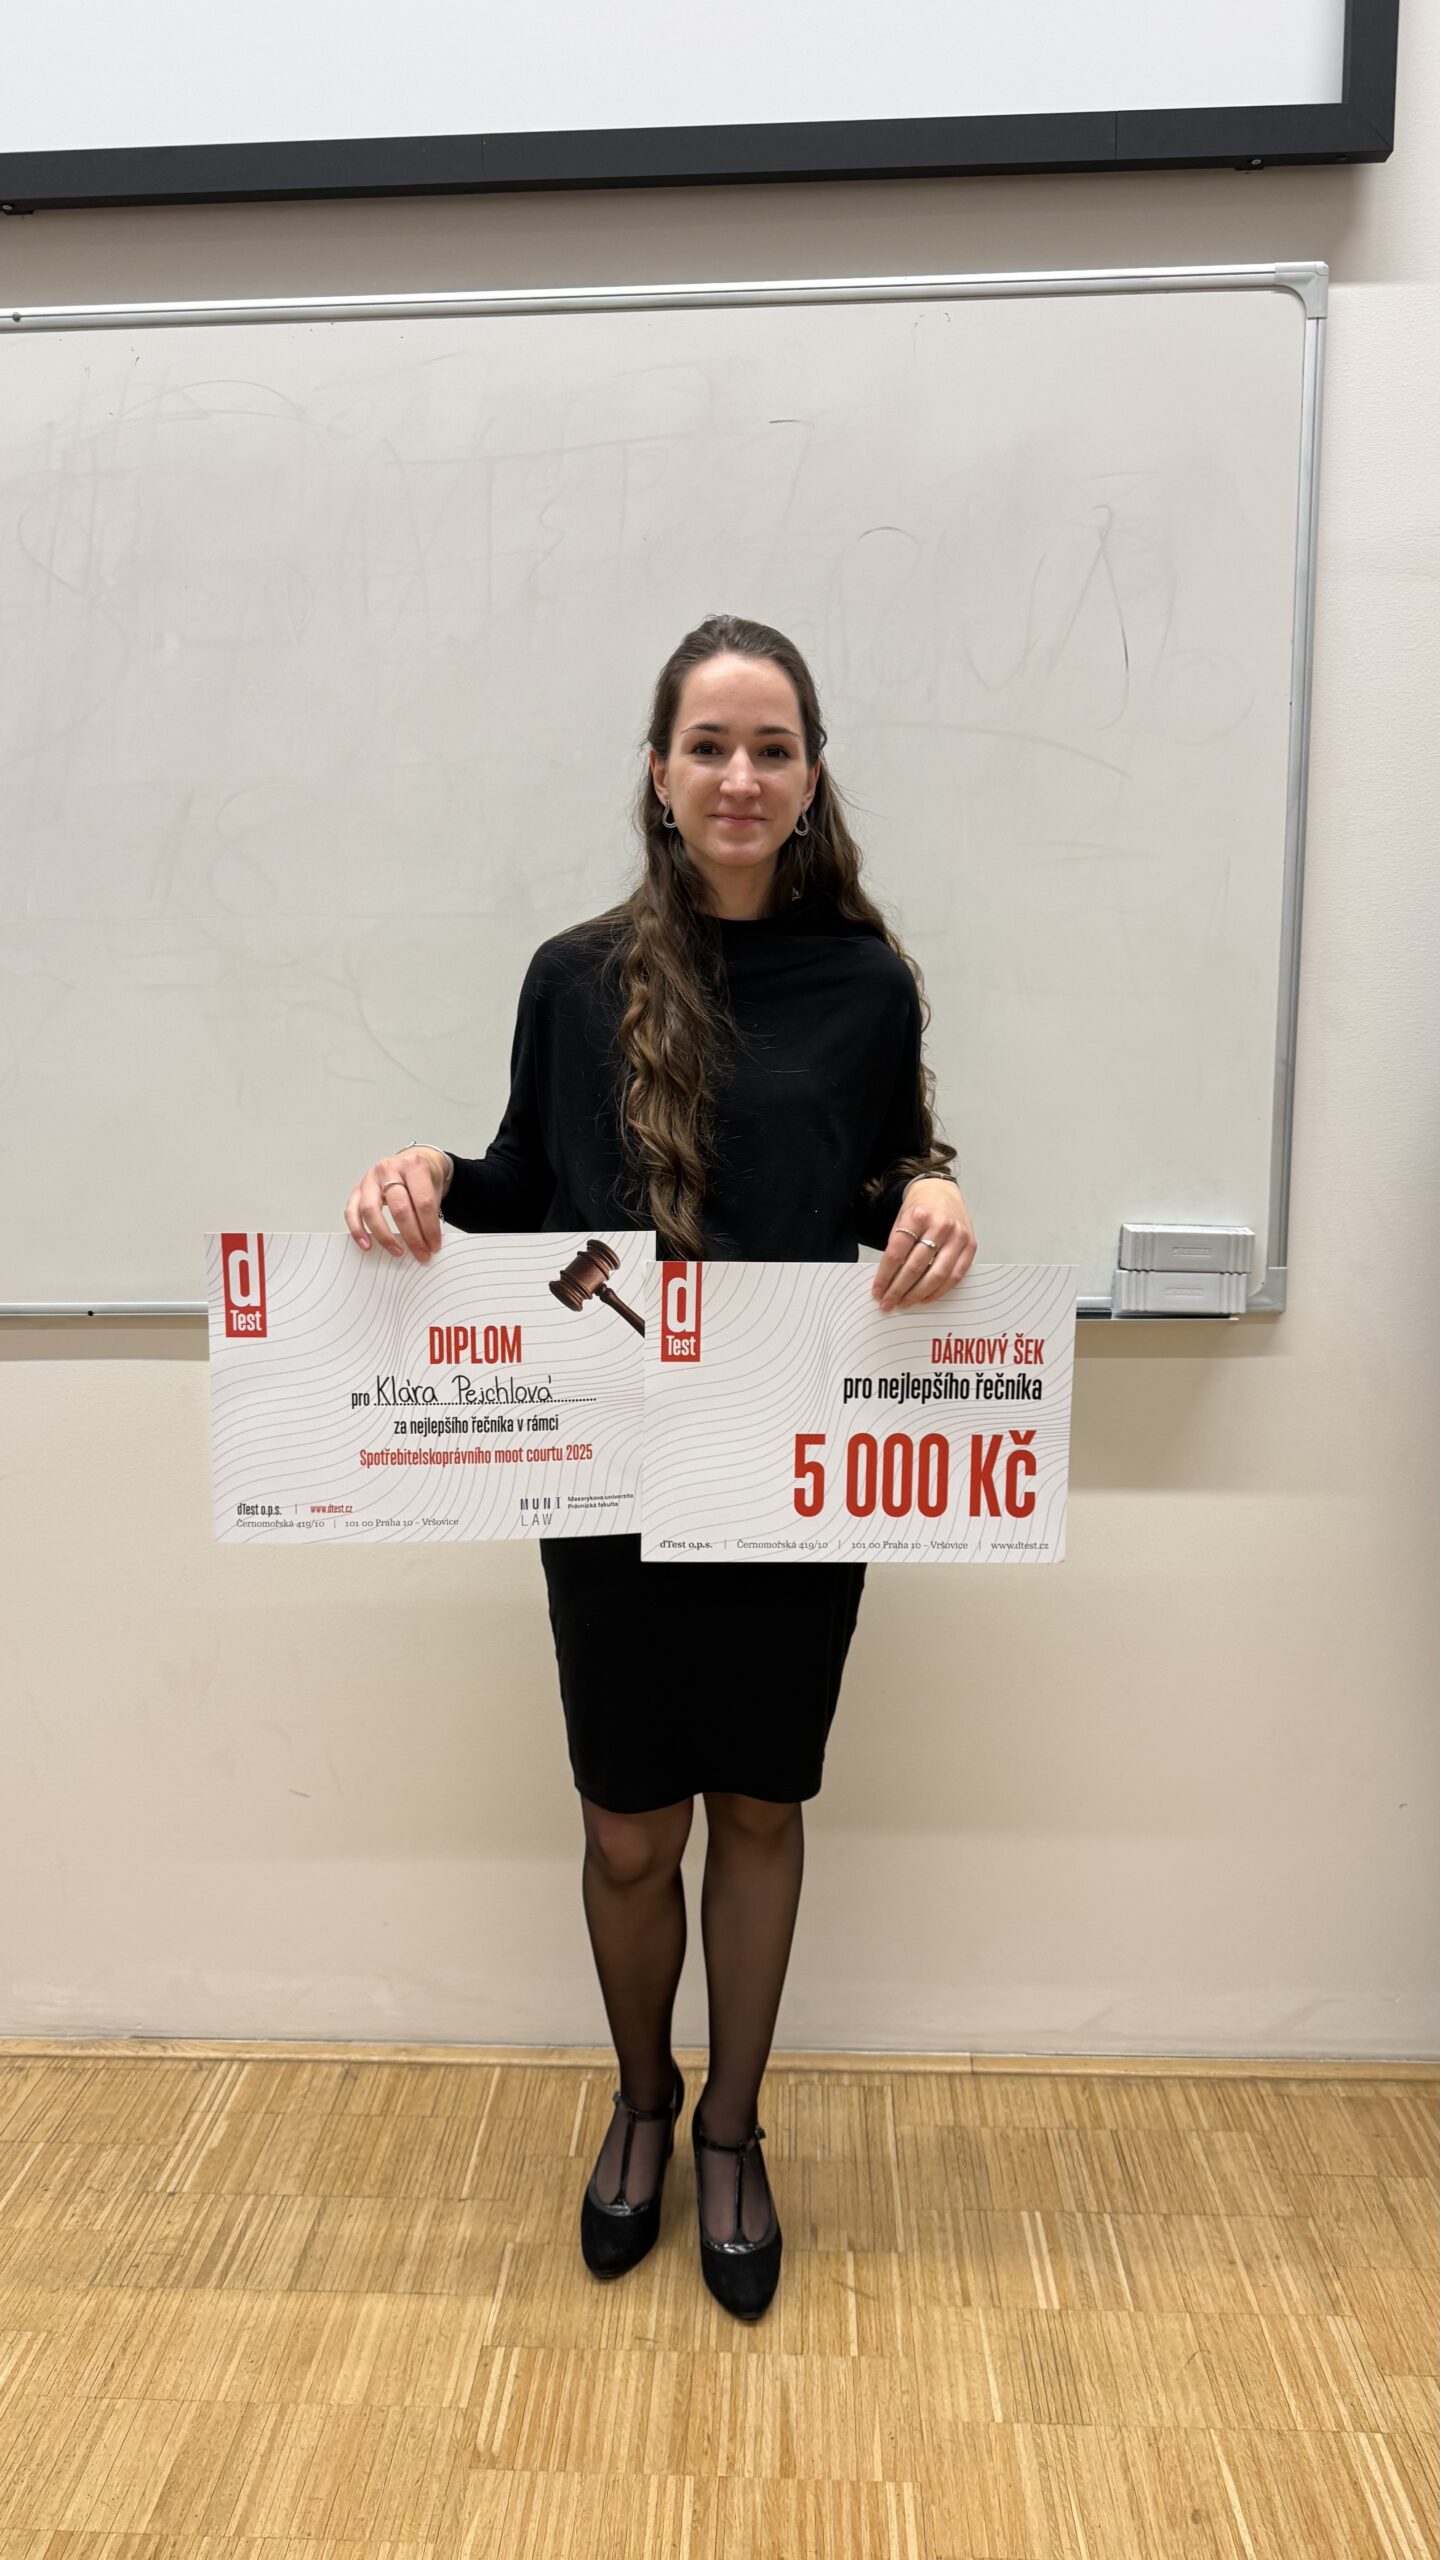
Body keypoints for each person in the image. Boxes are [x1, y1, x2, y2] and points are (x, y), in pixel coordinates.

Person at [344, 613, 976, 2320]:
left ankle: (734, 2132)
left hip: (790, 1458)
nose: (741, 776)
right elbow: (527, 1188)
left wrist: (931, 1189)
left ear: (811, 777)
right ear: (658, 770)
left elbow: (883, 1180)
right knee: (631, 1829)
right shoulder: (574, 977)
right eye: (710, 745)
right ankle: (641, 2098)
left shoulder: (867, 984)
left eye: (773, 748)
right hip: (609, 1462)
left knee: (760, 1804)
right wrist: (426, 1179)